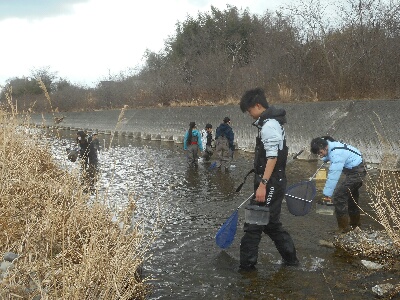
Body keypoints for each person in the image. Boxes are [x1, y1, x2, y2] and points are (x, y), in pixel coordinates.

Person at [239, 88, 299, 270]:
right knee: (271, 224)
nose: (249, 115)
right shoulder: (270, 123)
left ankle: (247, 269)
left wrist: (263, 185)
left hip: (271, 182)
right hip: (272, 181)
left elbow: (272, 158)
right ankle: (291, 261)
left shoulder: (269, 126)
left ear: (258, 105)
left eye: (249, 111)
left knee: (254, 224)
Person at [310, 136, 366, 233]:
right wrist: (326, 157)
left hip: (357, 172)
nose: (320, 155)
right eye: (318, 154)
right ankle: (355, 226)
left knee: (339, 196)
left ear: (325, 147)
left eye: (320, 153)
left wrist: (327, 194)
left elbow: (333, 175)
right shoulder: (331, 145)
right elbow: (329, 153)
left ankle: (343, 229)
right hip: (357, 168)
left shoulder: (336, 154)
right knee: (351, 197)